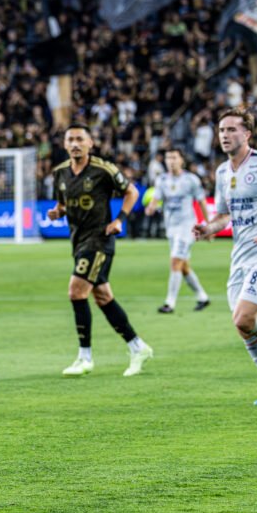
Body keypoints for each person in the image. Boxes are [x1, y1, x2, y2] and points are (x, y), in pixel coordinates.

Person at [47, 123, 153, 377]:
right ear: (64, 144)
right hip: (78, 240)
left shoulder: (102, 169)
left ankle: (85, 357)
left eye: (79, 139)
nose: (75, 143)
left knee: (76, 291)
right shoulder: (60, 173)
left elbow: (131, 191)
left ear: (90, 143)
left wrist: (119, 220)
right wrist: (57, 211)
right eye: (70, 139)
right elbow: (62, 203)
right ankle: (138, 347)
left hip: (99, 240)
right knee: (103, 296)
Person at [193, 109, 257, 404]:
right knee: (242, 325)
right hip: (240, 256)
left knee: (244, 317)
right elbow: (223, 216)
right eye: (221, 130)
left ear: (247, 134)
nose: (225, 135)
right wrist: (208, 228)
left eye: (232, 130)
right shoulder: (222, 172)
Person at [145, 148, 210, 313]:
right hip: (171, 228)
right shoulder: (162, 180)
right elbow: (156, 198)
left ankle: (170, 303)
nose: (171, 161)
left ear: (182, 160)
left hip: (187, 227)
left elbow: (201, 201)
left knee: (175, 261)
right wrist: (151, 208)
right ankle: (202, 296)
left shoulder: (191, 179)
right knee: (183, 266)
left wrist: (209, 225)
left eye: (174, 157)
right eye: (168, 157)